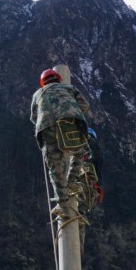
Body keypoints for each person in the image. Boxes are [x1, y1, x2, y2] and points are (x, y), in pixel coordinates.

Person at [30, 68, 90, 216]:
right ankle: (72, 179)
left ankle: (63, 204)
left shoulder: (38, 94)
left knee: (55, 166)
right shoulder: (69, 88)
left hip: (48, 127)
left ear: (43, 82)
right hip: (71, 124)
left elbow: (33, 117)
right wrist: (70, 111)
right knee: (81, 150)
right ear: (58, 79)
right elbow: (84, 105)